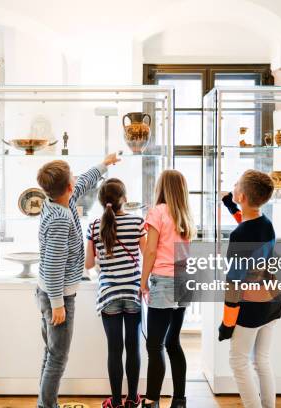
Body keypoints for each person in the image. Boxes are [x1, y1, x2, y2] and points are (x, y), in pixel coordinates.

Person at [36, 154, 121, 408]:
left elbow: (83, 182)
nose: (76, 180)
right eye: (72, 177)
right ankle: (47, 405)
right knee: (58, 358)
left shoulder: (59, 200)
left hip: (50, 292)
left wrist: (103, 164)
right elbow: (53, 266)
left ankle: (44, 403)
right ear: (68, 188)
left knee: (51, 354)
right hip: (57, 295)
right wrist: (58, 304)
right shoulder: (61, 219)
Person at [218, 170, 281, 408]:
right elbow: (246, 224)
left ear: (243, 197)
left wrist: (227, 323)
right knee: (262, 360)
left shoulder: (240, 235)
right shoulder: (265, 223)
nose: (232, 186)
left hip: (251, 306)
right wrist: (229, 204)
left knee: (238, 361)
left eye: (235, 185)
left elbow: (233, 283)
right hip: (272, 301)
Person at [85, 178, 146, 408]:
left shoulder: (94, 226)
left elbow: (89, 264)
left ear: (102, 201)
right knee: (133, 347)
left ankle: (116, 402)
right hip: (132, 292)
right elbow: (146, 256)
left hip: (108, 293)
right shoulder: (138, 222)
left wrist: (105, 259)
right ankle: (132, 399)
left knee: (114, 349)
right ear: (125, 199)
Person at [140, 170, 195, 408]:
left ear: (161, 187)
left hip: (163, 281)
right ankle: (179, 400)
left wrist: (143, 281)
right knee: (173, 342)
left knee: (155, 345)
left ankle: (151, 401)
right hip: (184, 281)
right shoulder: (186, 214)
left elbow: (151, 250)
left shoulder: (158, 212)